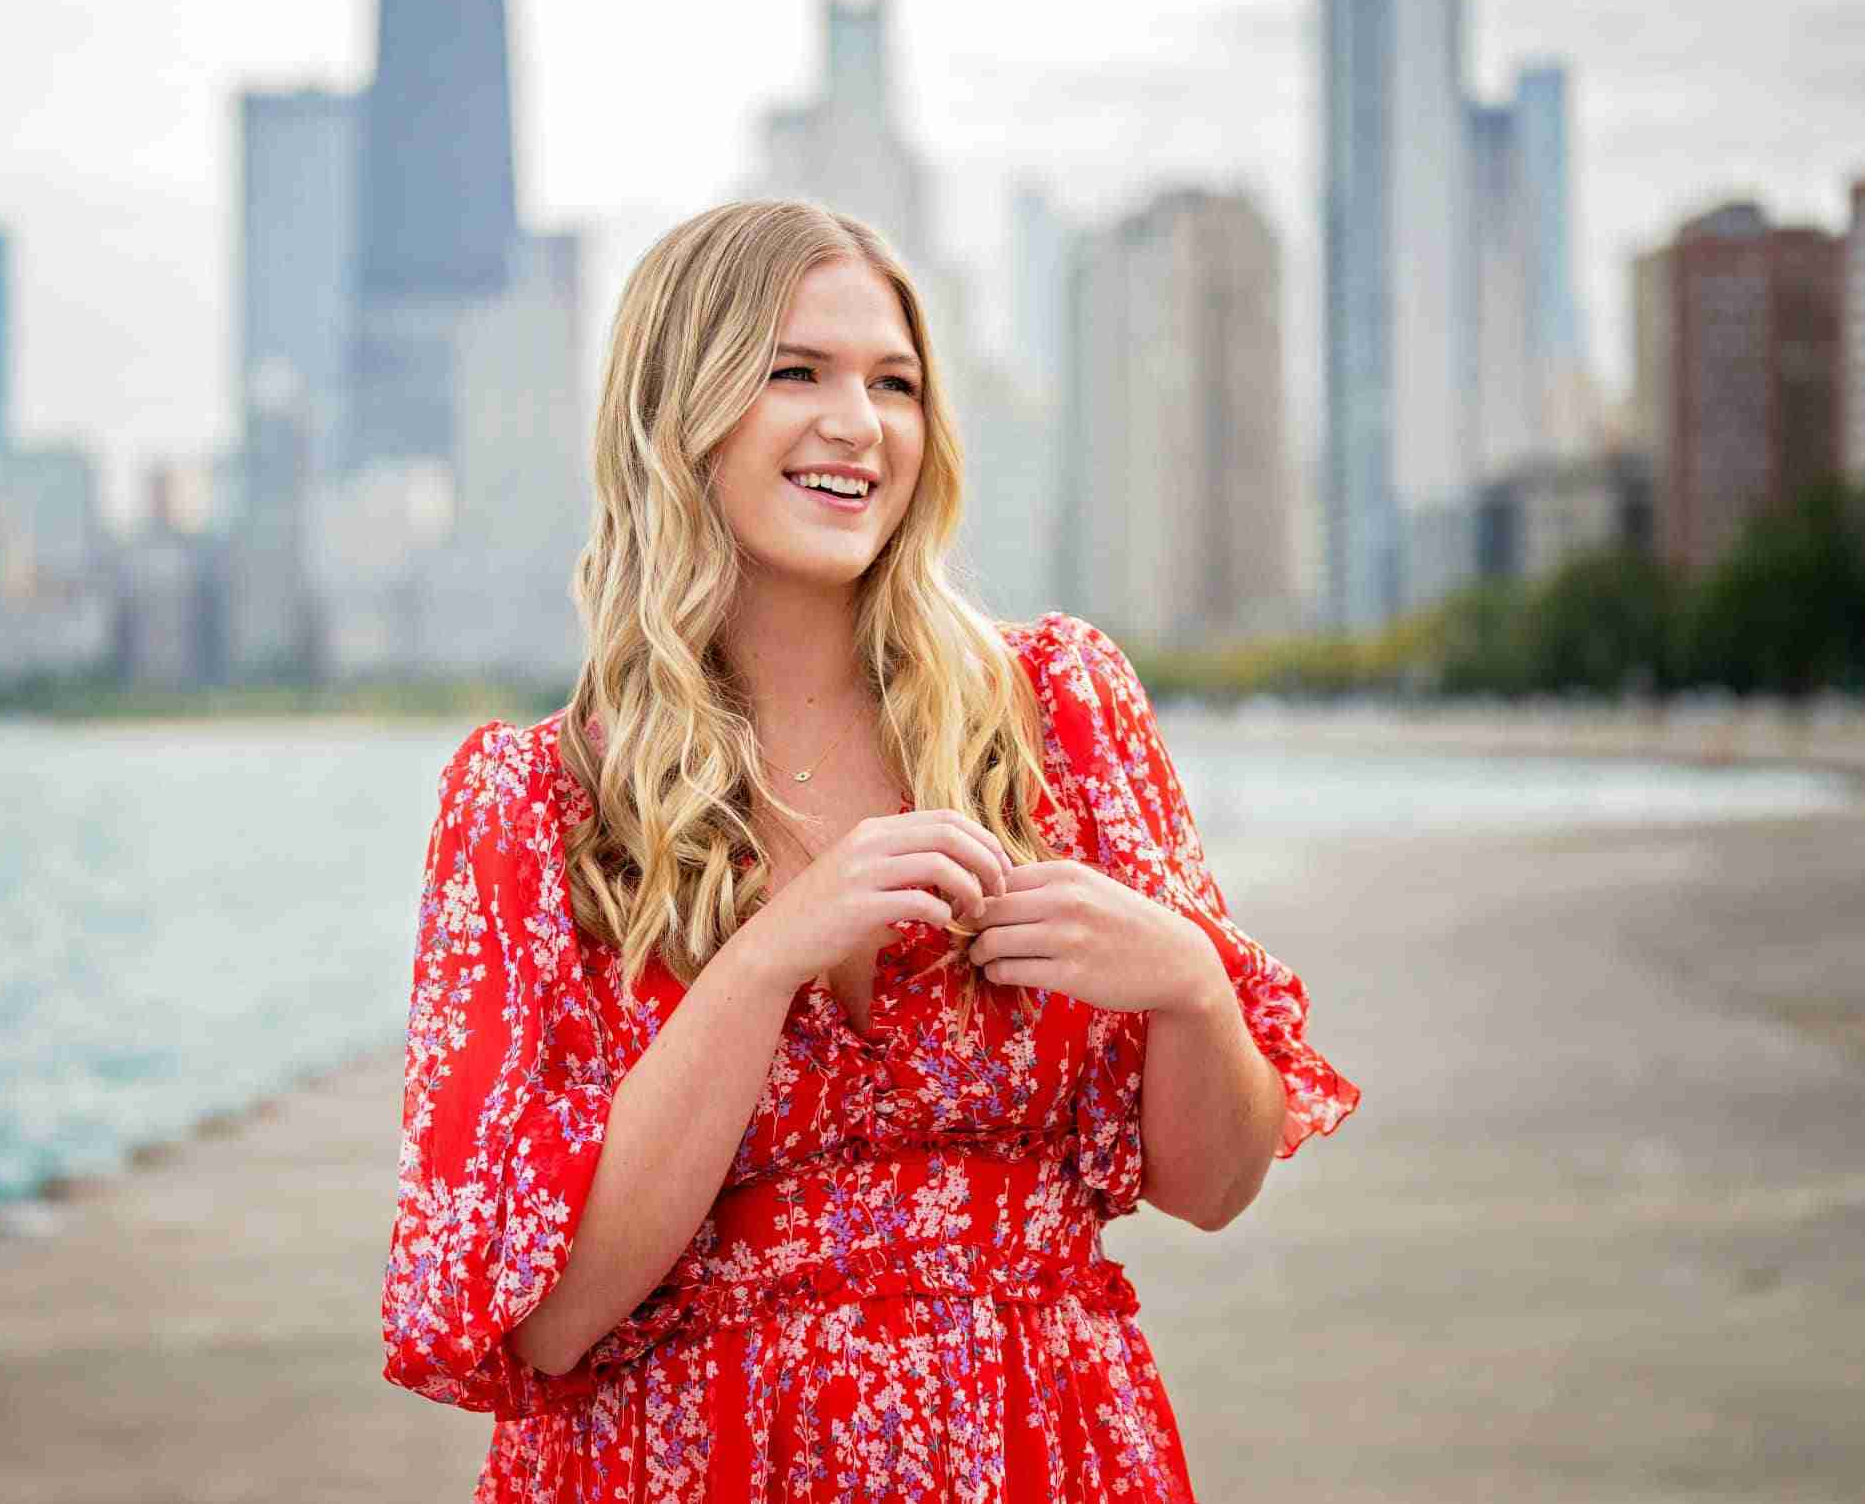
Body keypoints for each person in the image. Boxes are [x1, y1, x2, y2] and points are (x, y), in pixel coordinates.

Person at [381, 199, 1357, 1501]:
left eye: (894, 383)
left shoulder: (1059, 715)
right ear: (681, 409)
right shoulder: (538, 804)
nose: (858, 422)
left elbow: (1213, 1184)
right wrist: (763, 962)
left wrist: (1187, 984)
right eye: (797, 372)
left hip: (1037, 1452)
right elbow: (548, 1321)